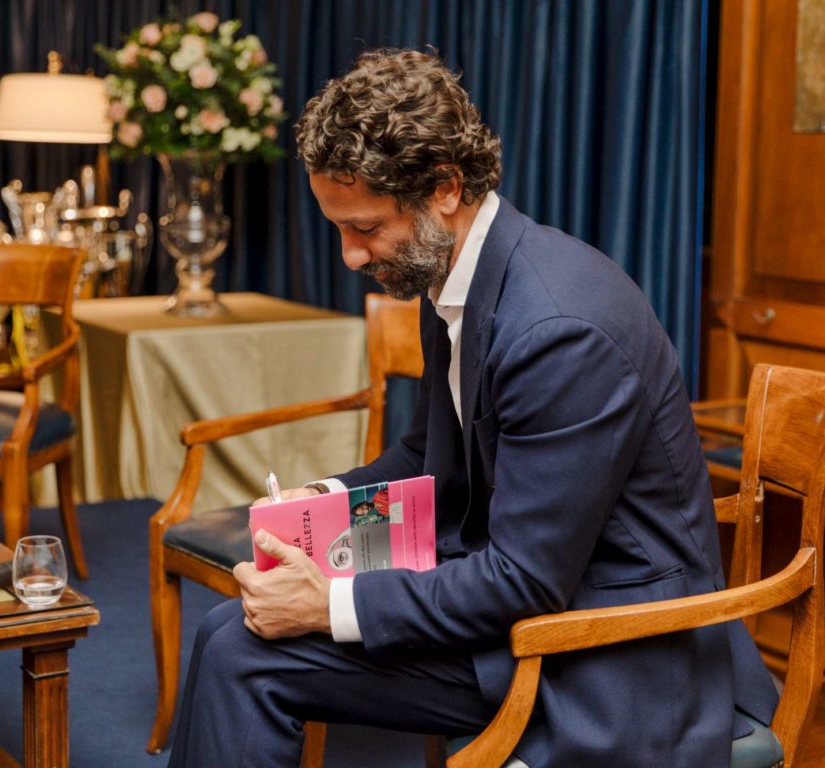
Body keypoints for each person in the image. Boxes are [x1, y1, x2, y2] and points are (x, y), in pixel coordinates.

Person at [168, 49, 778, 767]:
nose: (351, 257)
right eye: (339, 229)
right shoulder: (452, 273)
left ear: (445, 189)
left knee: (247, 657)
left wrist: (325, 604)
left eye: (364, 228)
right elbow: (430, 454)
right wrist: (327, 497)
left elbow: (526, 578)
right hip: (522, 601)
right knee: (223, 634)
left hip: (605, 647)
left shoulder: (557, 328)